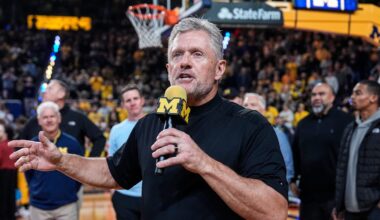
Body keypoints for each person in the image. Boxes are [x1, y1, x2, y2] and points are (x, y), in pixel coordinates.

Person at [9, 17, 288, 219]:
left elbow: (274, 211)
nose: (185, 62)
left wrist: (203, 163)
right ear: (169, 69)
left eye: (197, 54)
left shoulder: (250, 124)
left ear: (219, 69)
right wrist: (61, 161)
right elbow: (113, 172)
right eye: (177, 55)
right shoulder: (151, 123)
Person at [291, 82, 352, 220]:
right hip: (308, 196)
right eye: (313, 95)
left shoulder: (346, 121)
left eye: (321, 94)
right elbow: (295, 154)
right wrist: (293, 179)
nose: (316, 97)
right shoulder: (303, 124)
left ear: (332, 97)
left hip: (336, 196)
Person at [25, 102, 83, 220]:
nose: (49, 120)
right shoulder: (32, 145)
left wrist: (69, 191)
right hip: (38, 207)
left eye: (52, 116)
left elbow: (80, 172)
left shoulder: (73, 144)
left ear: (59, 118)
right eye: (45, 117)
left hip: (67, 206)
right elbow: (28, 174)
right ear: (39, 120)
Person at [19, 79, 105, 157]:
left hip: (72, 172)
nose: (44, 92)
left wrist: (89, 163)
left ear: (61, 94)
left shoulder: (78, 117)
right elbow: (19, 145)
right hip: (43, 172)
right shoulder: (35, 120)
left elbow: (100, 138)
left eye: (50, 88)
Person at [334, 80, 380, 220]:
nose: (352, 97)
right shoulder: (349, 128)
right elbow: (342, 170)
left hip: (374, 209)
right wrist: (339, 205)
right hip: (350, 210)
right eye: (353, 93)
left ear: (374, 97)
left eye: (358, 93)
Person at [108, 85, 145, 220]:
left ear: (142, 100)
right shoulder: (116, 130)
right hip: (124, 197)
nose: (132, 102)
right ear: (123, 105)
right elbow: (111, 160)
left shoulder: (156, 124)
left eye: (135, 98)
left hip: (151, 195)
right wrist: (113, 193)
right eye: (128, 100)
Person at [243, 92, 294, 184]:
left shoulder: (277, 134)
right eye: (245, 104)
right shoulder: (238, 134)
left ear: (263, 110)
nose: (247, 107)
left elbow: (287, 168)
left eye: (253, 104)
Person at [0, 121, 16, 220]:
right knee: (10, 197)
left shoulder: (1, 145)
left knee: (2, 199)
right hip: (13, 174)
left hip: (3, 174)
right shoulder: (11, 145)